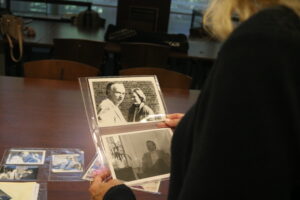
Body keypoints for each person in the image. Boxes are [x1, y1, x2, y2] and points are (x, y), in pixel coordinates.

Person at [89, 0, 300, 199]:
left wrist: (114, 197)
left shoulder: (265, 41)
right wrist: (200, 125)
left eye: (126, 94)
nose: (124, 97)